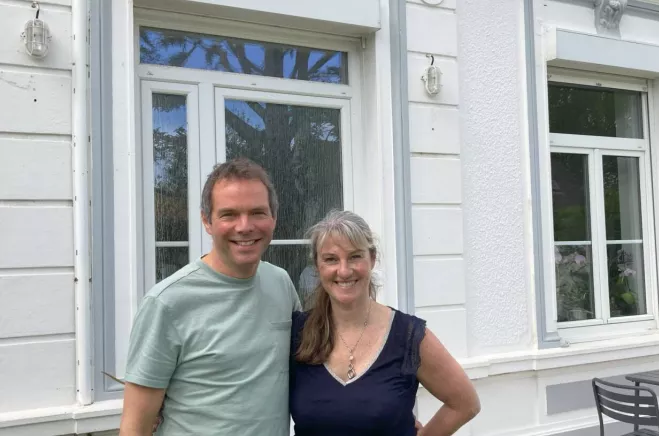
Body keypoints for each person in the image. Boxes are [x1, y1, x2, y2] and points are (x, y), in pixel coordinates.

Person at [119, 157, 301, 435]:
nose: (245, 226)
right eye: (229, 214)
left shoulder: (281, 284)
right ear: (207, 220)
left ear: (273, 218)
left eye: (257, 212)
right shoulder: (167, 302)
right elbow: (135, 427)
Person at [290, 210, 481, 435]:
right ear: (317, 265)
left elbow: (465, 403)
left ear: (372, 259)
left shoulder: (407, 335)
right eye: (331, 259)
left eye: (355, 256)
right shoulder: (298, 333)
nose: (344, 270)